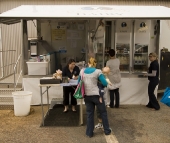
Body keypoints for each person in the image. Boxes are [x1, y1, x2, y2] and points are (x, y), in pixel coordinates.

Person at [78, 57, 112, 137]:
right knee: (103, 112)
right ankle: (107, 131)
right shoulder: (98, 71)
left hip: (87, 96)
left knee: (90, 114)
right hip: (97, 96)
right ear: (95, 64)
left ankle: (89, 133)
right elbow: (104, 83)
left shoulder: (82, 71)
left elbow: (79, 82)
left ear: (88, 63)